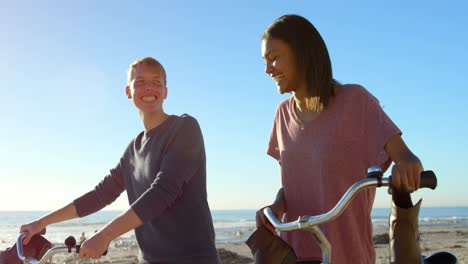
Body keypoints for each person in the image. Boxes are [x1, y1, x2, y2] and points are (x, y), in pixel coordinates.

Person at [255, 14, 424, 264]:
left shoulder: (356, 101)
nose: (267, 69)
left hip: (347, 253)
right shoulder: (282, 114)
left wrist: (406, 167)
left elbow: (406, 157)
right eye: (265, 61)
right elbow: (294, 183)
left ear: (302, 52)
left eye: (274, 58)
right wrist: (278, 205)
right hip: (297, 254)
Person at [20, 57, 220, 264]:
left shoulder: (184, 128)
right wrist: (41, 223)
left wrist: (105, 236)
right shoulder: (132, 150)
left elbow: (162, 192)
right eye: (140, 82)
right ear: (128, 91)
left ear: (165, 92)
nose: (149, 88)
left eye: (156, 82)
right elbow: (100, 195)